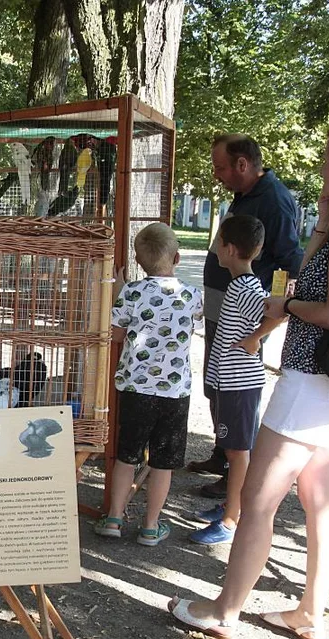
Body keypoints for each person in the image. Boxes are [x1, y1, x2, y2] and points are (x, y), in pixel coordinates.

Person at [168, 118, 329, 639]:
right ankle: (310, 613)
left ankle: (224, 610)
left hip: (310, 381)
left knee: (257, 501)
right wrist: (324, 217)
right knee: (321, 499)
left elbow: (327, 310)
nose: (323, 168)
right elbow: (320, 270)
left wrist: (285, 305)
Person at [188, 135, 303, 499]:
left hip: (243, 315)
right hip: (223, 305)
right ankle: (223, 454)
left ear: (242, 164)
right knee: (216, 382)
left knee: (234, 390)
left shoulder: (275, 201)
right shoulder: (246, 195)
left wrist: (264, 324)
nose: (216, 174)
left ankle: (235, 468)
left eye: (220, 167)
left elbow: (289, 262)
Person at [94, 223, 203, 546]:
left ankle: (114, 517)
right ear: (178, 257)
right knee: (162, 462)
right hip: (173, 391)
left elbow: (115, 334)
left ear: (139, 262)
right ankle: (151, 526)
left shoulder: (132, 292)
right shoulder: (191, 295)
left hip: (135, 389)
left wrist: (120, 293)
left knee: (127, 455)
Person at [190, 215, 277, 545]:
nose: (215, 251)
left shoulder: (245, 287)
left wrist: (257, 337)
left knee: (237, 452)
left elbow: (276, 311)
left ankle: (230, 520)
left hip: (240, 384)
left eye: (217, 244)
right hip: (232, 383)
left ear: (228, 248)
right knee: (233, 448)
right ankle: (232, 504)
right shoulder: (241, 284)